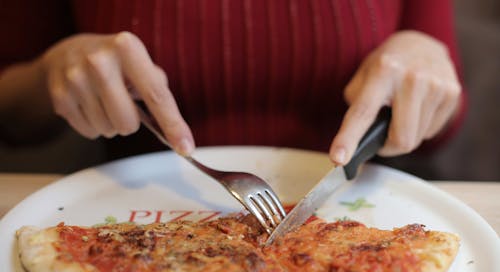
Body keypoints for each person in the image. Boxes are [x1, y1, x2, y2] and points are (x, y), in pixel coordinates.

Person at [0, 0, 464, 167]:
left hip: (358, 218)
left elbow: (443, 128)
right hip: (134, 219)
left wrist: (425, 68)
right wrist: (51, 73)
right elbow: (12, 119)